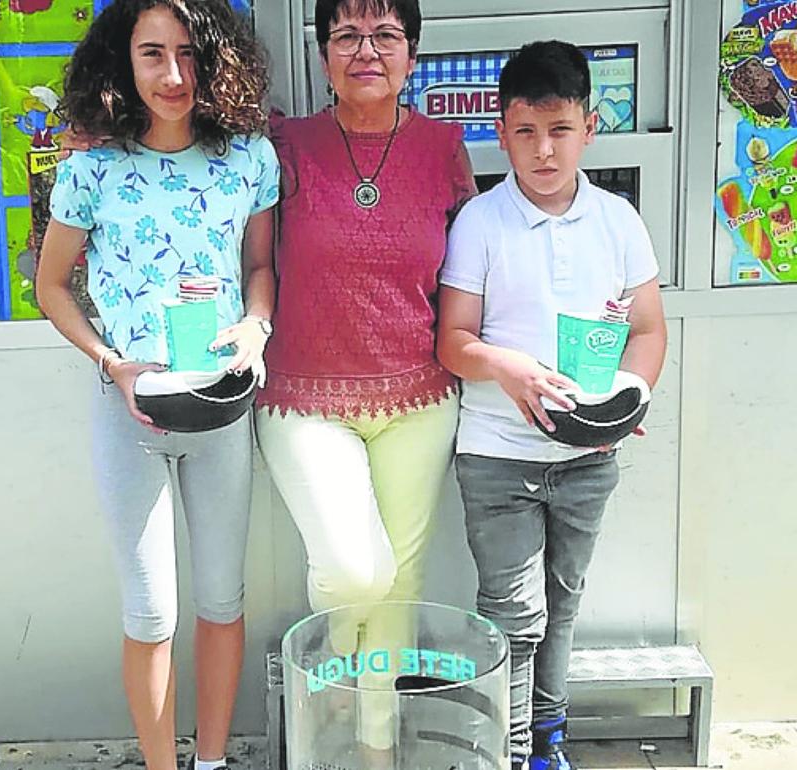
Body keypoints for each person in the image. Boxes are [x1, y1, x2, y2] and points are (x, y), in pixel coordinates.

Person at [35, 3, 279, 769]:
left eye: (189, 53)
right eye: (152, 54)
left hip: (222, 410)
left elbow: (260, 266)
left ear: (217, 61)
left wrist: (256, 325)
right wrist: (109, 360)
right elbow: (50, 285)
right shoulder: (91, 169)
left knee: (222, 600)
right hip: (130, 417)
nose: (173, 75)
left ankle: (212, 761)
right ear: (124, 61)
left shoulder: (249, 159)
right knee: (150, 614)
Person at [436, 41, 668, 770]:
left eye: (560, 129)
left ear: (589, 129)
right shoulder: (480, 222)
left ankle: (547, 739)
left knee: (563, 601)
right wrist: (508, 370)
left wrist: (629, 397)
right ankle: (505, 750)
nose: (543, 150)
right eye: (526, 132)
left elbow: (648, 330)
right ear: (501, 133)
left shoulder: (618, 222)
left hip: (589, 455)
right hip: (497, 454)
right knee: (514, 610)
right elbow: (453, 341)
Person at [253, 0, 476, 737]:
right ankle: (334, 663)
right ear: (323, 57)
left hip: (419, 399)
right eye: (346, 35)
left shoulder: (443, 149)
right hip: (303, 400)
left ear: (412, 54)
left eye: (385, 35)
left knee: (403, 582)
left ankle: (377, 743)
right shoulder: (285, 146)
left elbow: (475, 272)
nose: (366, 51)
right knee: (355, 572)